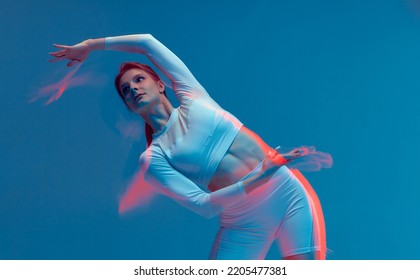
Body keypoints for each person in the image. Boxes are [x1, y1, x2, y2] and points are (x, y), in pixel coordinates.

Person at [49, 34, 328, 260]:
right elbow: (203, 205)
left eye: (138, 80)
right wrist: (262, 172)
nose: (133, 88)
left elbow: (147, 43)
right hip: (244, 223)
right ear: (129, 108)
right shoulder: (153, 158)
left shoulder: (193, 98)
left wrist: (91, 46)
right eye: (125, 90)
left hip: (288, 195)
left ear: (160, 84)